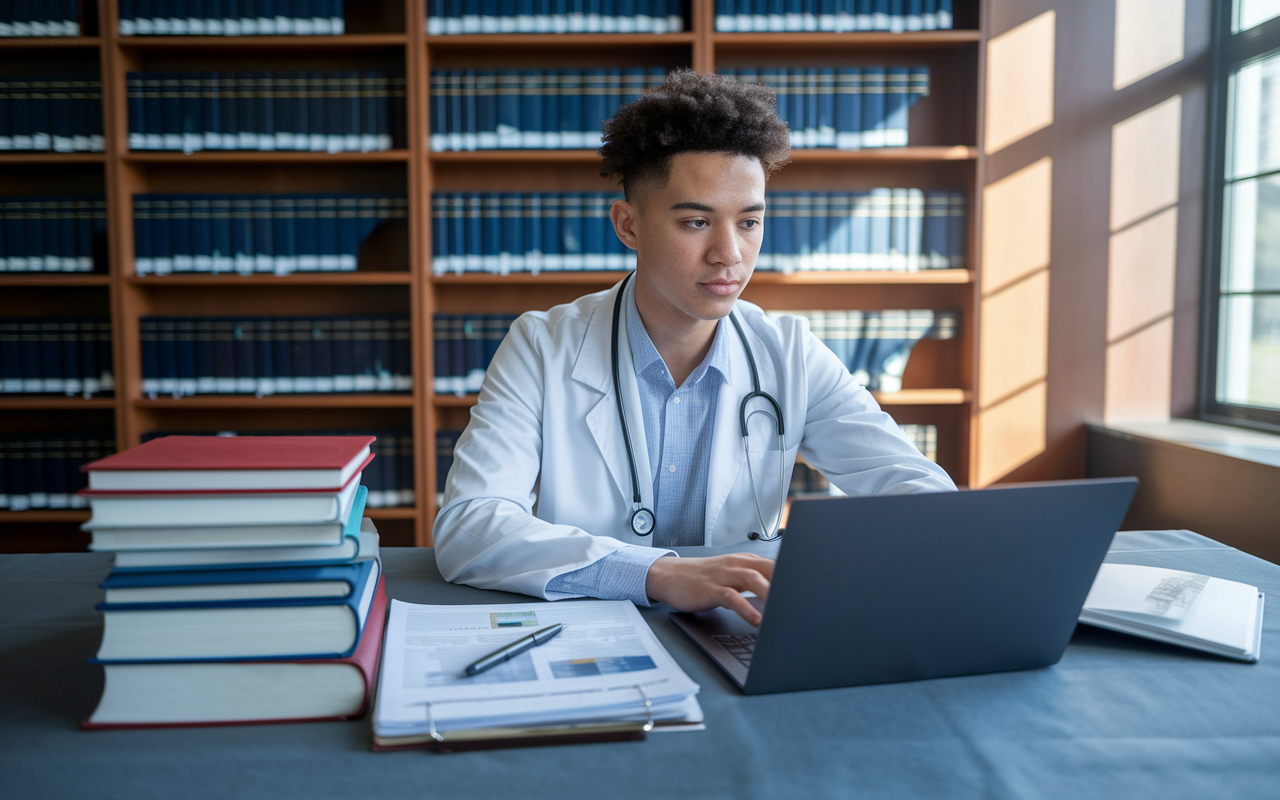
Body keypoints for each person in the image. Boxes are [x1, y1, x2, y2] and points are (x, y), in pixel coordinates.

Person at [434, 70, 956, 625]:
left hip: (738, 627)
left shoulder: (789, 353)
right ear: (629, 225)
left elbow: (920, 493)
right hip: (590, 626)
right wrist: (657, 574)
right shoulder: (541, 346)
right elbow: (471, 525)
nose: (728, 254)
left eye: (749, 221)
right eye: (697, 221)